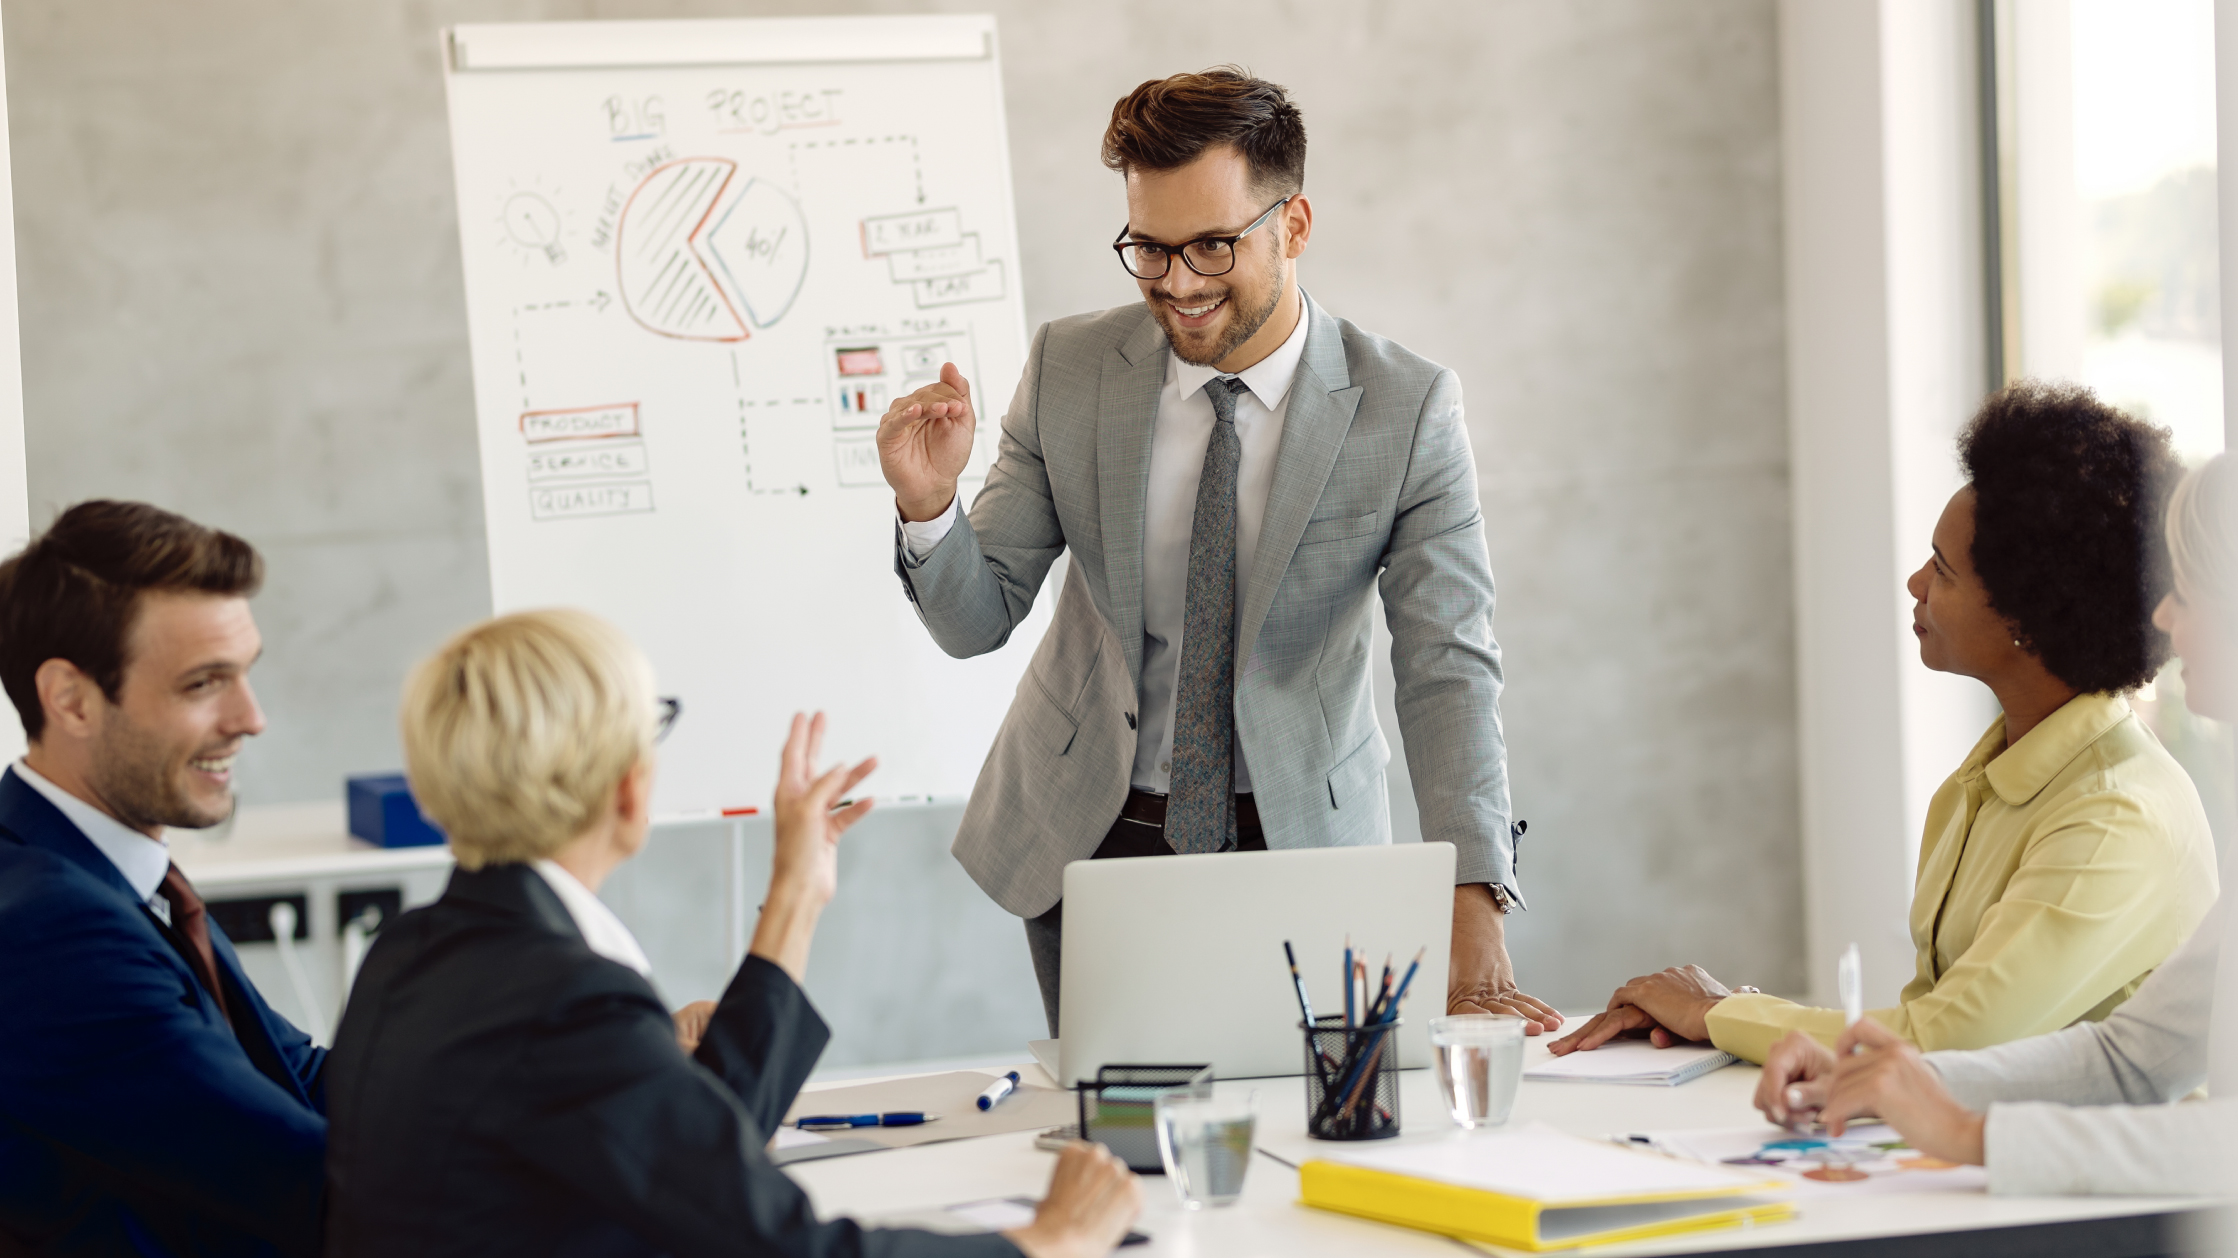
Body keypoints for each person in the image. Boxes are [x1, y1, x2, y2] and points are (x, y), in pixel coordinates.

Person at [875, 66, 1555, 1036]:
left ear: (1295, 226)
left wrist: (1475, 898)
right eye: (1148, 250)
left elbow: (1448, 665)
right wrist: (929, 504)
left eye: (1210, 246)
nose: (1178, 283)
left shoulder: (1406, 410)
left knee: (1317, 1132)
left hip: (1303, 844)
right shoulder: (1070, 371)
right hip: (1092, 838)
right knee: (1122, 1138)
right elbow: (978, 620)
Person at [323, 609, 1140, 1258]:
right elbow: (780, 1244)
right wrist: (1042, 1243)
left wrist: (795, 889)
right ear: (623, 784)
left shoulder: (412, 954)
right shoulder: (568, 1004)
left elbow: (697, 1155)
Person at [1549, 383, 2216, 1064]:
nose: (1916, 584)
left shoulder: (2114, 816)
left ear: (2027, 619)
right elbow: (1930, 1018)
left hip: (2081, 1166)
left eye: (1945, 571)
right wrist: (1723, 1017)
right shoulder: (1986, 779)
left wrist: (1719, 1014)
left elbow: (1946, 1041)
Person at [1748, 452, 2238, 1195]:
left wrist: (1968, 1134)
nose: (2166, 616)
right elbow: (2134, 1061)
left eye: (2193, 595)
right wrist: (1892, 1077)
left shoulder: (2120, 807)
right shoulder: (1980, 777)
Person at [0, 501, 329, 1255]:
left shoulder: (112, 875)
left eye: (246, 675)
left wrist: (604, 1067)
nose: (251, 718)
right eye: (204, 684)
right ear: (71, 700)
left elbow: (295, 1077)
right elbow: (298, 1180)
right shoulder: (49, 926)